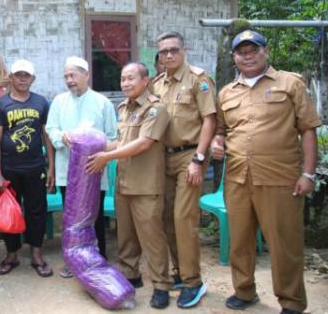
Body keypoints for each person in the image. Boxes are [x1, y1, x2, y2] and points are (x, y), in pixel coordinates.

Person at [212, 30, 320, 314]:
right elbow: (221, 131)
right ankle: (244, 291)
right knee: (240, 241)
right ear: (234, 57)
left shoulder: (290, 83)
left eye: (253, 50)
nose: (247, 56)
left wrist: (308, 174)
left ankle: (292, 301)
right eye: (241, 52)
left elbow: (308, 129)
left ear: (265, 51)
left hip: (279, 178)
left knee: (284, 244)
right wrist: (217, 141)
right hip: (237, 178)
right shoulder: (226, 92)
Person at [86, 62, 172, 309]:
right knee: (126, 237)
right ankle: (130, 275)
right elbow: (119, 142)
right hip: (124, 183)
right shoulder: (123, 108)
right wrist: (91, 147)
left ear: (145, 80)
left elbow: (144, 142)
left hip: (146, 185)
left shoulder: (156, 109)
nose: (125, 83)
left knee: (152, 239)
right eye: (123, 79)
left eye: (131, 78)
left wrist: (107, 158)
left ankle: (161, 285)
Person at [150, 31, 217, 308]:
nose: (168, 55)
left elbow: (210, 121)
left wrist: (199, 160)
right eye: (163, 51)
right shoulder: (157, 85)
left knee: (183, 218)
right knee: (165, 218)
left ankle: (193, 282)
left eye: (173, 50)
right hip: (161, 159)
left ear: (184, 50)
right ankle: (179, 271)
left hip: (189, 156)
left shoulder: (198, 80)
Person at [45, 56, 117, 278]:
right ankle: (72, 261)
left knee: (93, 217)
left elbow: (113, 137)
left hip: (94, 170)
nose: (69, 80)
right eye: (66, 76)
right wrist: (62, 137)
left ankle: (98, 258)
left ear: (87, 75)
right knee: (72, 218)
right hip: (68, 170)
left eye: (73, 75)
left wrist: (94, 145)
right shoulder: (59, 101)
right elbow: (51, 128)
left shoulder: (102, 103)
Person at [0, 59, 55, 278]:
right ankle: (12, 254)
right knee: (10, 212)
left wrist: (51, 168)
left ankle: (36, 254)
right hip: (9, 169)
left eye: (27, 75)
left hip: (36, 167)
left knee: (37, 212)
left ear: (33, 79)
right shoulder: (0, 105)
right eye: (19, 75)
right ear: (11, 77)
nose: (23, 79)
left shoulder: (41, 103)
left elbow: (47, 138)